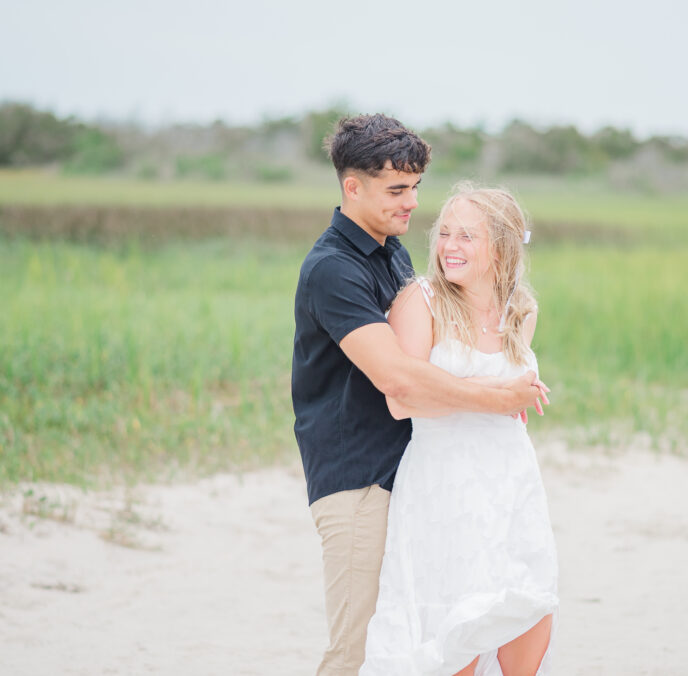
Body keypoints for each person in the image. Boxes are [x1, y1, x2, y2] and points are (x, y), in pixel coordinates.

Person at [292, 114, 548, 676]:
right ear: (351, 186)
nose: (411, 203)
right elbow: (399, 381)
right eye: (396, 190)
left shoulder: (393, 256)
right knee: (359, 648)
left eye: (414, 188)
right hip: (357, 479)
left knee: (422, 638)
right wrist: (501, 398)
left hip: (414, 479)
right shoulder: (333, 270)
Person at [360, 184, 558, 676]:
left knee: (527, 607)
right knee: (452, 631)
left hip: (511, 481)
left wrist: (516, 394)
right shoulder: (421, 301)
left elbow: (510, 398)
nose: (450, 245)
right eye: (445, 232)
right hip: (443, 485)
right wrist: (499, 396)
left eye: (467, 236)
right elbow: (401, 400)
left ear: (503, 246)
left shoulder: (521, 311)